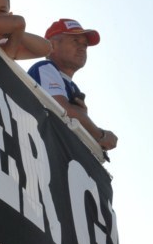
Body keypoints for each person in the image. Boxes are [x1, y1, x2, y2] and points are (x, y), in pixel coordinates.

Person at [28, 19, 118, 152]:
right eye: (75, 41)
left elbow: (73, 120)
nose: (82, 48)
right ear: (53, 45)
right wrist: (100, 135)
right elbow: (64, 110)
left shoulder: (73, 87)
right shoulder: (45, 67)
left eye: (85, 45)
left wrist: (82, 117)